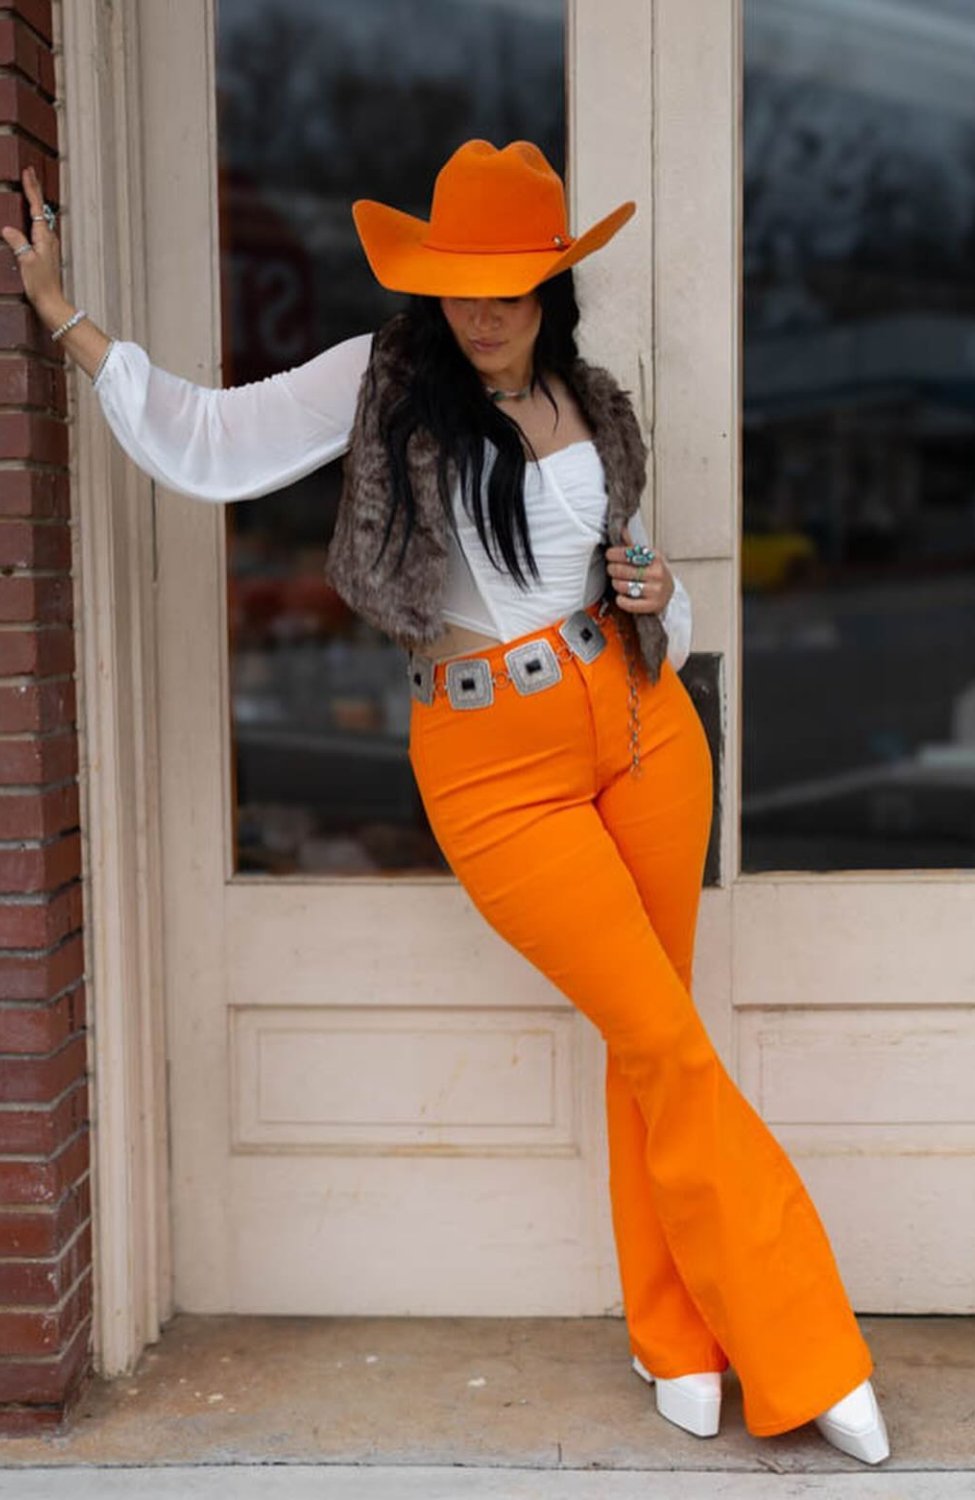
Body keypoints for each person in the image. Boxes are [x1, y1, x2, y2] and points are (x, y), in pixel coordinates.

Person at [3, 141, 890, 1465]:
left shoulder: (594, 400)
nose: (483, 311)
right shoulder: (383, 387)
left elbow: (627, 581)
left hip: (647, 729)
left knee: (650, 1045)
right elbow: (208, 435)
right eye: (460, 284)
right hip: (495, 769)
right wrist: (66, 314)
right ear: (428, 284)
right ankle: (809, 1350)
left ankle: (675, 1338)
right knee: (671, 1048)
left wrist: (660, 598)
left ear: (552, 289)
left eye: (511, 285)